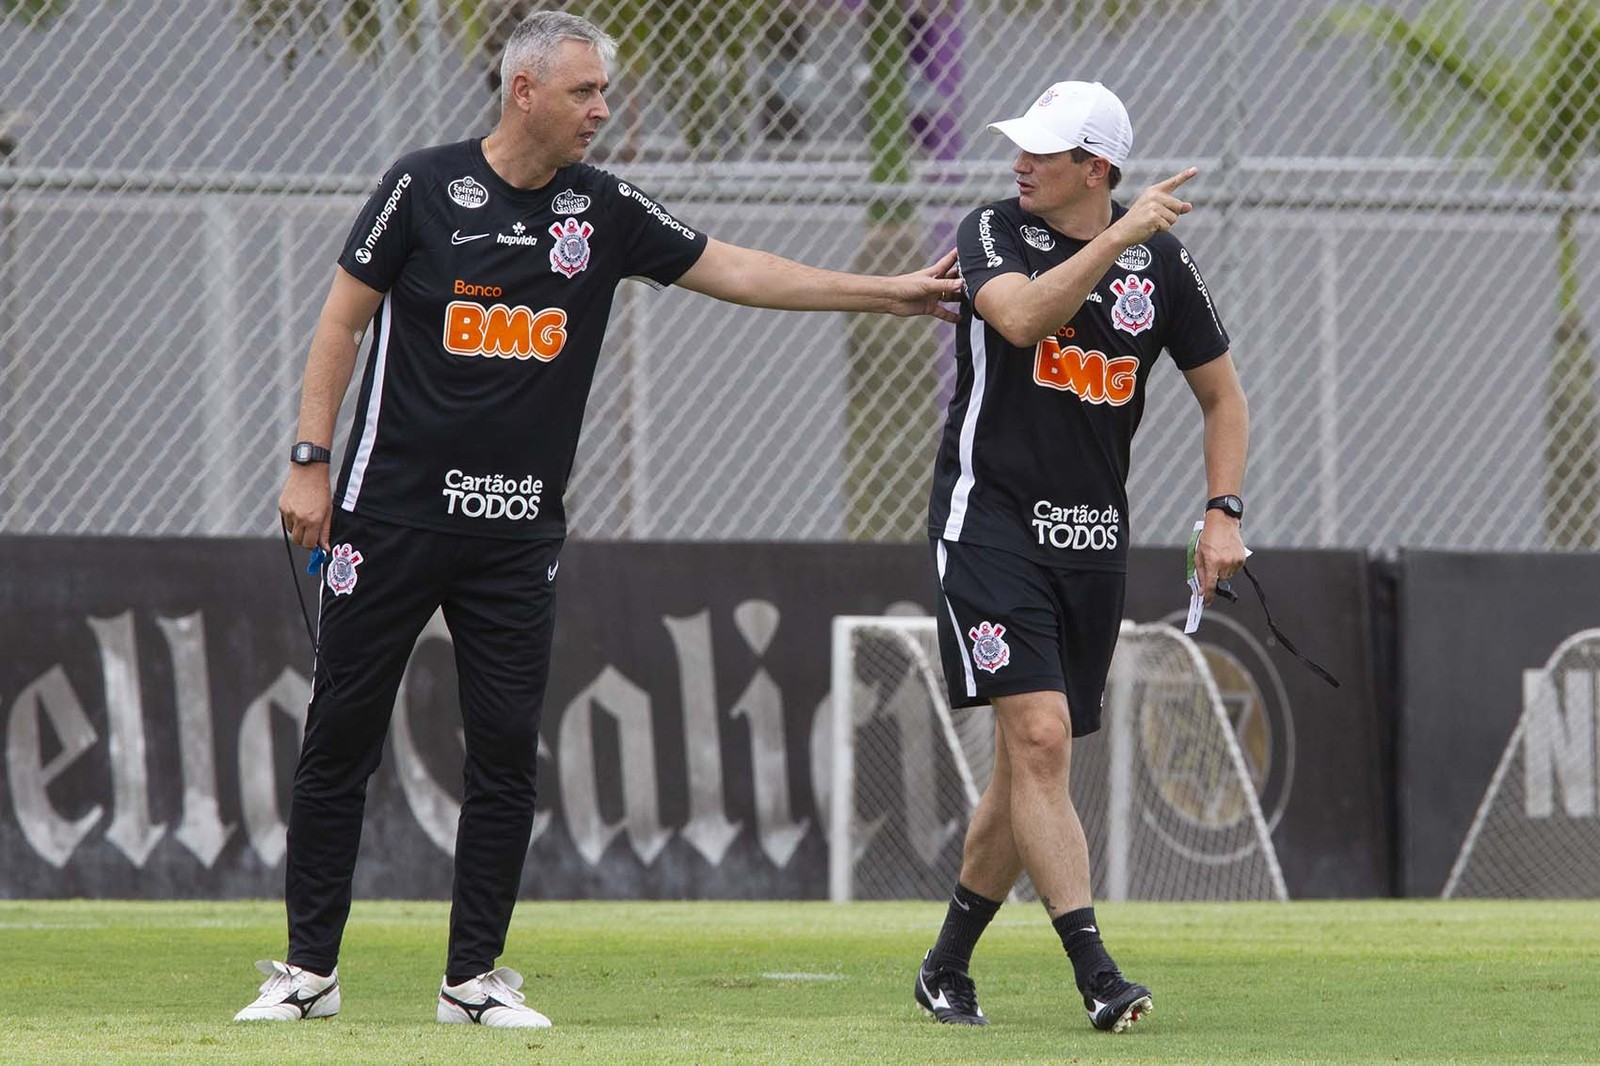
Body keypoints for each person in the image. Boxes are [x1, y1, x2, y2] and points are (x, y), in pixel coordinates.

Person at [235, 10, 960, 1028]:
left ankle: (472, 982)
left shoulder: (602, 208)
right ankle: (308, 973)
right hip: (385, 518)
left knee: (503, 755)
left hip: (515, 536)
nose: (602, 110)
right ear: (524, 91)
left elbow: (737, 268)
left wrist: (882, 292)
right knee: (340, 738)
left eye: (604, 92)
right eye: (584, 92)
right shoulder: (422, 185)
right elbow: (340, 321)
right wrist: (308, 463)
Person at [913, 80, 1248, 1033]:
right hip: (987, 524)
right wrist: (1118, 237)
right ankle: (1097, 973)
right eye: (1021, 146)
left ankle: (946, 965)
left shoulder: (1164, 266)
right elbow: (1021, 318)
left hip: (1094, 542)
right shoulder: (993, 229)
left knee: (1029, 764)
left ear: (1095, 168)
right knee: (1041, 740)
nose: (1020, 162)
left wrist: (1222, 511)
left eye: (1043, 150)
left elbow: (1224, 397)